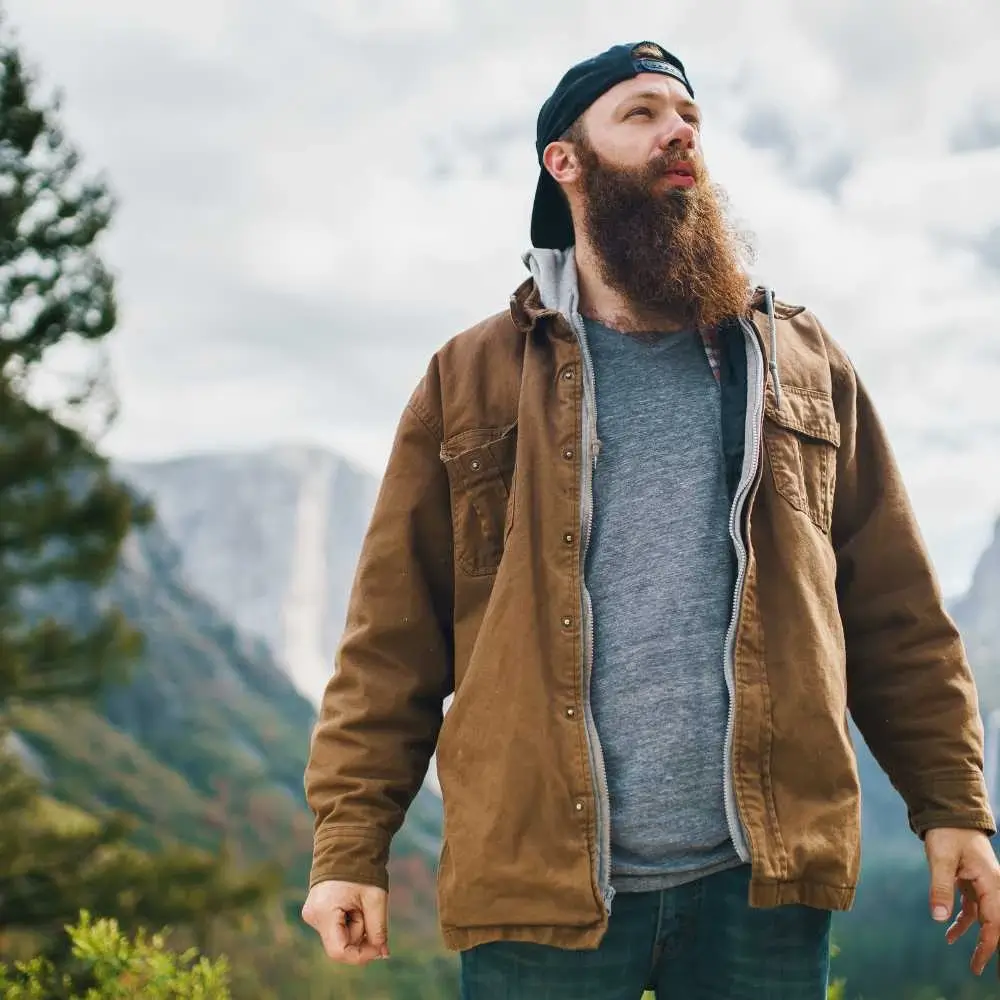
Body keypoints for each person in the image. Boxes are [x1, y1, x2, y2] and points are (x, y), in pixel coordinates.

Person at [301, 40, 1000, 998]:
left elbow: (894, 611)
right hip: (541, 890)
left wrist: (952, 803)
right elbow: (393, 642)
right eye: (640, 114)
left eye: (689, 118)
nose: (680, 133)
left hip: (759, 886)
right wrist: (350, 846)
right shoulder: (471, 378)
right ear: (566, 160)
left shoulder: (799, 362)